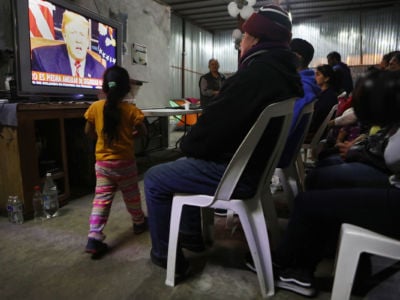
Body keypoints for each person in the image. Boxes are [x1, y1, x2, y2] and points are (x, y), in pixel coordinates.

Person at [144, 4, 303, 278]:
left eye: (243, 37)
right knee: (190, 161)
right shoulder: (284, 74)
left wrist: (186, 145)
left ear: (256, 39)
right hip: (257, 169)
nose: (240, 43)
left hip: (239, 174)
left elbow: (211, 129)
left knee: (156, 178)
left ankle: (164, 255)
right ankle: (191, 236)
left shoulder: (255, 74)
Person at [83, 65, 147, 258]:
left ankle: (94, 237)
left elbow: (88, 132)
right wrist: (130, 135)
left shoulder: (94, 108)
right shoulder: (131, 110)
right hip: (125, 164)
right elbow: (143, 132)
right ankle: (138, 222)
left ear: (104, 87)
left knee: (101, 199)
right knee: (131, 195)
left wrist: (102, 138)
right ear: (127, 89)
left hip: (103, 164)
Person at [278, 38, 320, 167]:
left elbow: (285, 131)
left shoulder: (301, 89)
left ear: (296, 57)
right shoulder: (305, 84)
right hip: (284, 152)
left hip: (277, 154)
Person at [31, 10, 106, 78]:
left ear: (87, 40)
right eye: (73, 33)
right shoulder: (43, 59)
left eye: (82, 35)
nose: (78, 40)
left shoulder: (100, 70)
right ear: (65, 36)